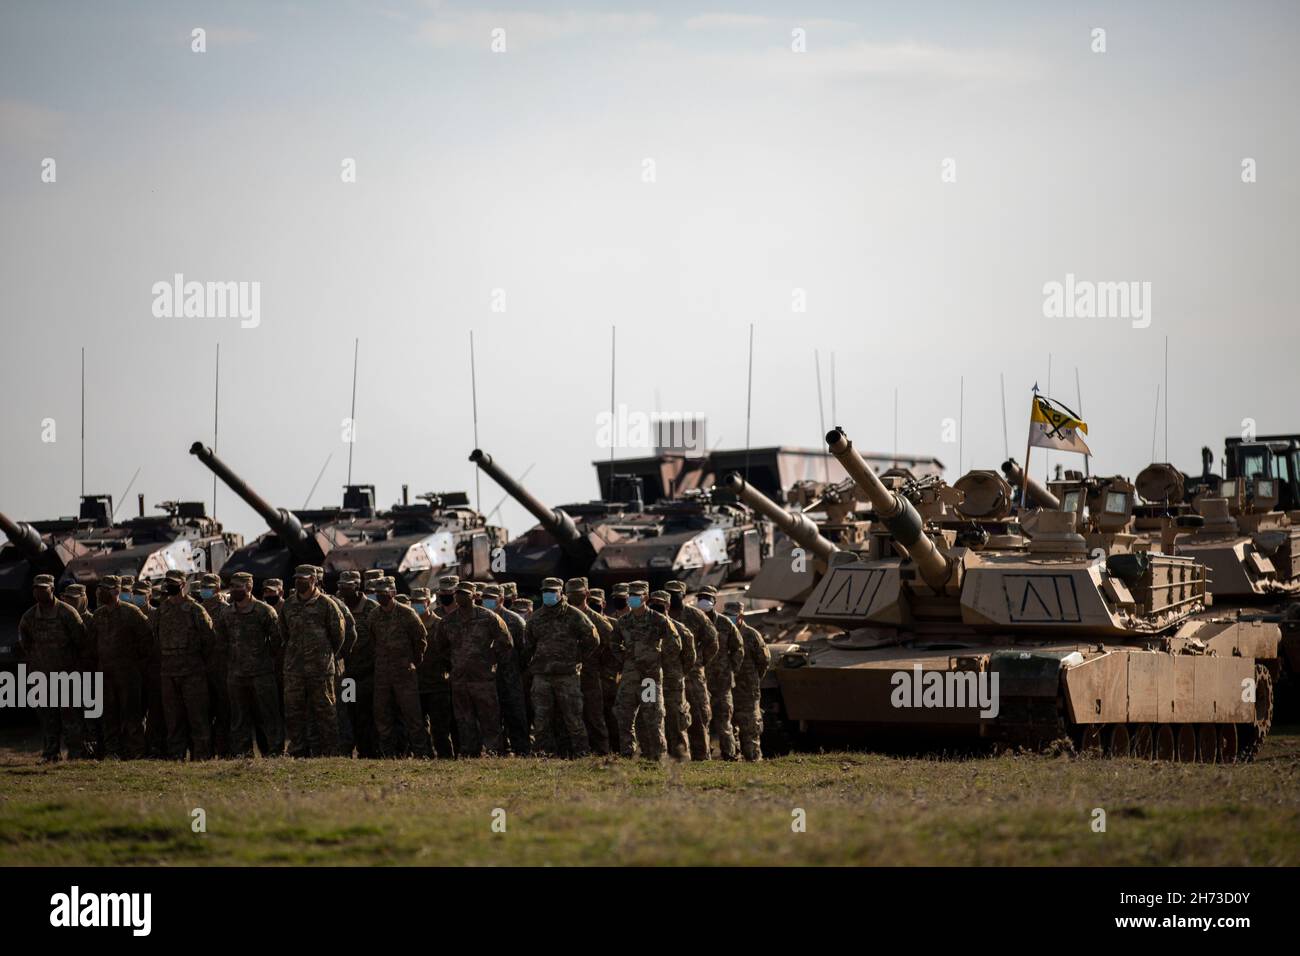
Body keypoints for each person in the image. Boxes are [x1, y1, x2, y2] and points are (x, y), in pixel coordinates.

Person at [434, 580, 511, 756]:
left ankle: (494, 751)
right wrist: (454, 663)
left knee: (489, 717)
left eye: (465, 594)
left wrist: (490, 661)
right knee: (464, 719)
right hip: (460, 680)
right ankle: (470, 752)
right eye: (458, 594)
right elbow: (441, 647)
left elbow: (505, 643)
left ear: (474, 596)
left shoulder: (488, 617)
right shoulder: (447, 622)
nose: (460, 597)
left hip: (483, 679)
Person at [523, 577, 598, 757]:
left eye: (552, 591)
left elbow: (592, 639)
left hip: (567, 676)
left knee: (573, 718)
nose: (548, 594)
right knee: (541, 720)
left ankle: (581, 753)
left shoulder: (574, 615)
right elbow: (528, 646)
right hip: (542, 676)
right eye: (545, 592)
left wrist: (577, 657)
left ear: (560, 593)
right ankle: (543, 753)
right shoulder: (536, 618)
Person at [17, 574, 87, 761]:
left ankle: (75, 754)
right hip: (41, 676)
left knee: (71, 717)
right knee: (48, 719)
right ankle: (51, 754)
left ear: (52, 589)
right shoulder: (29, 616)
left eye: (43, 588)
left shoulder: (67, 612)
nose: (39, 591)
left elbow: (81, 641)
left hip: (66, 675)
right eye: (36, 588)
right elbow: (25, 643)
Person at [279, 565, 345, 757]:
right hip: (294, 670)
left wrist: (325, 655)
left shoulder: (327, 604)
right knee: (294, 712)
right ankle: (298, 750)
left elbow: (338, 636)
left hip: (320, 670)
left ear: (314, 580)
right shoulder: (289, 605)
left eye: (304, 578)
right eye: (297, 578)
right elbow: (284, 632)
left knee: (325, 711)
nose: (300, 581)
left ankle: (330, 752)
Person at [216, 572, 283, 757]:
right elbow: (221, 642)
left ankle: (275, 754)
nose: (235, 590)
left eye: (239, 587)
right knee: (239, 719)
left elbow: (277, 641)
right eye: (233, 586)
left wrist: (263, 659)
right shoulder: (226, 613)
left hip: (262, 675)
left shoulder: (264, 611)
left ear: (249, 587)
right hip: (236, 675)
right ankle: (244, 756)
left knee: (269, 716)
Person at [85, 575, 151, 759]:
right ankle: (112, 752)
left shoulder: (131, 613)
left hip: (128, 674)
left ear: (115, 591)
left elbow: (147, 640)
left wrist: (136, 664)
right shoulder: (98, 615)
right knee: (109, 716)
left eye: (105, 589)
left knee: (132, 716)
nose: (100, 593)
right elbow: (91, 645)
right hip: (105, 674)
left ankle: (136, 752)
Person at [611, 581, 678, 760]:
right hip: (630, 676)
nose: (632, 598)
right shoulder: (623, 622)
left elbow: (674, 643)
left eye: (636, 595)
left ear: (645, 597)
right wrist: (624, 658)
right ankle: (628, 753)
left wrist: (658, 659)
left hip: (649, 678)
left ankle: (657, 756)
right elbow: (614, 643)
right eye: (630, 595)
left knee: (652, 717)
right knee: (623, 714)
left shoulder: (658, 620)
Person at [153, 568, 215, 760]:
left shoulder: (196, 610)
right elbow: (156, 639)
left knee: (197, 718)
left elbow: (209, 640)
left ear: (183, 585)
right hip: (169, 674)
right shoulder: (162, 611)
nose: (170, 587)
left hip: (192, 673)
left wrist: (197, 662)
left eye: (173, 583)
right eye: (167, 583)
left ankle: (202, 756)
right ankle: (176, 756)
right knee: (173, 719)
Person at [369, 577, 431, 757]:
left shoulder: (407, 614)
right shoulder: (374, 615)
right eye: (378, 593)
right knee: (382, 716)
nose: (381, 596)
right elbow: (373, 641)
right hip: (382, 675)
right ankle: (389, 754)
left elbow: (421, 640)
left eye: (385, 593)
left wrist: (412, 662)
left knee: (412, 716)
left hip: (404, 673)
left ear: (393, 593)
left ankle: (421, 754)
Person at [665, 580, 717, 760]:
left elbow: (712, 641)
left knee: (699, 714)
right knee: (674, 715)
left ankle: (702, 756)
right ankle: (678, 755)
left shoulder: (695, 616)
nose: (673, 597)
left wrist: (700, 661)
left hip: (693, 673)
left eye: (676, 594)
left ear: (683, 596)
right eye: (669, 594)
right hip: (670, 673)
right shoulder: (661, 615)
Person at [566, 578, 614, 755]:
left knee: (594, 716)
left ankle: (602, 752)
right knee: (571, 717)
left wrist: (604, 670)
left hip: (592, 675)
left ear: (586, 594)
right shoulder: (564, 616)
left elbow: (613, 647)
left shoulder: (598, 621)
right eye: (571, 595)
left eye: (578, 594)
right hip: (568, 675)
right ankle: (574, 752)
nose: (575, 597)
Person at [482, 584, 530, 755]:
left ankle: (522, 752)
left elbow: (525, 652)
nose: (486, 602)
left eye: (491, 599)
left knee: (516, 718)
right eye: (484, 598)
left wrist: (515, 670)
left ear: (501, 600)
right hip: (487, 679)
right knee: (491, 719)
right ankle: (497, 753)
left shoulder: (515, 621)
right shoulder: (480, 618)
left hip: (511, 679)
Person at [697, 586, 743, 760]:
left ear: (714, 602)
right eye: (701, 597)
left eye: (707, 597)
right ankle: (704, 754)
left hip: (722, 682)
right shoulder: (693, 621)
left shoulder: (725, 623)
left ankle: (730, 755)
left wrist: (732, 669)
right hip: (700, 681)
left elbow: (738, 649)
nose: (704, 600)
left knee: (724, 722)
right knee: (702, 720)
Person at [648, 589, 693, 761]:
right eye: (653, 605)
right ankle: (654, 756)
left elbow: (690, 657)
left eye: (660, 605)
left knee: (676, 720)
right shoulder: (644, 628)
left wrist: (678, 673)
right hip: (649, 682)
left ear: (667, 606)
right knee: (650, 716)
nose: (656, 608)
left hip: (673, 682)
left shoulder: (681, 630)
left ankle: (681, 757)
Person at [338, 570, 378, 757]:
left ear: (357, 586)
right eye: (342, 587)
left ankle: (369, 751)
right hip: (349, 676)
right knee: (350, 713)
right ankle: (349, 750)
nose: (344, 590)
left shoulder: (372, 608)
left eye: (348, 586)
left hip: (368, 674)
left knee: (367, 715)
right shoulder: (338, 607)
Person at [726, 601, 770, 761]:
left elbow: (764, 661)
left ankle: (753, 760)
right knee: (729, 727)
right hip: (727, 688)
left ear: (741, 616)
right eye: (726, 615)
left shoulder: (752, 635)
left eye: (732, 616)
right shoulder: (722, 633)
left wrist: (754, 678)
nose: (729, 619)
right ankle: (733, 760)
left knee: (750, 727)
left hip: (748, 690)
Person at [418, 576, 457, 757]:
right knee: (438, 727)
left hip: (453, 679)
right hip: (432, 681)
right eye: (442, 593)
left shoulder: (463, 615)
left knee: (455, 724)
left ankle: (462, 755)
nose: (445, 596)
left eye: (450, 593)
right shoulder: (437, 616)